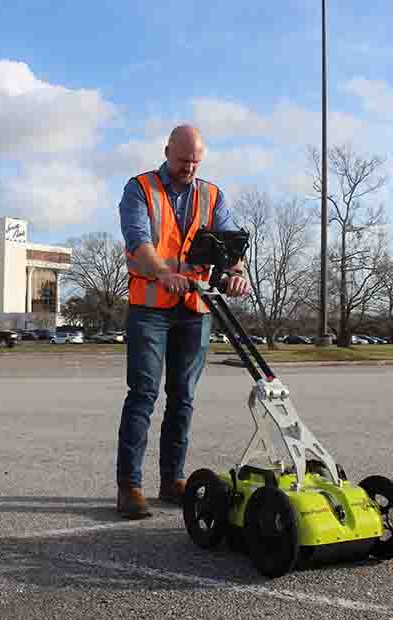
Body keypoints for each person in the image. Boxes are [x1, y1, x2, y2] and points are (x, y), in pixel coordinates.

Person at [116, 125, 249, 519]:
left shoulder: (212, 195)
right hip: (151, 307)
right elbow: (138, 241)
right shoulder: (140, 189)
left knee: (183, 398)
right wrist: (161, 273)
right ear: (166, 152)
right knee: (143, 395)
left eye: (195, 162)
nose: (188, 168)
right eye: (182, 161)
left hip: (194, 310)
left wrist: (235, 273)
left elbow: (226, 246)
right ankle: (129, 487)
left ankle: (173, 480)